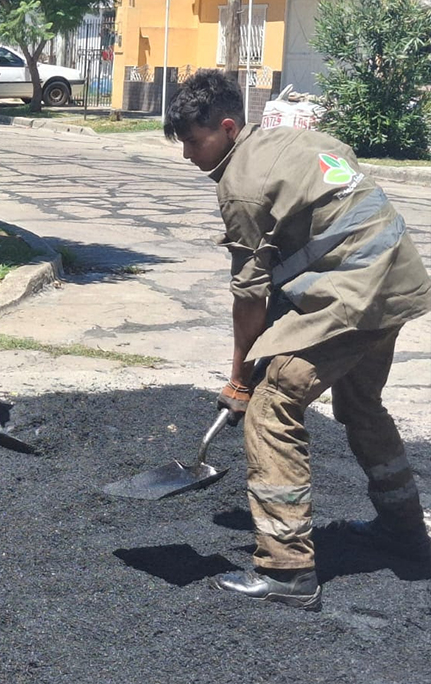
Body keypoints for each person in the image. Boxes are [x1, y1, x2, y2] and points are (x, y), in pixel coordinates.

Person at [164, 70, 431, 610]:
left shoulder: (240, 185)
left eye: (194, 141)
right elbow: (311, 241)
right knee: (361, 405)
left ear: (227, 126)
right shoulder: (303, 140)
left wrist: (241, 377)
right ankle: (405, 532)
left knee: (271, 405)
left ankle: (286, 571)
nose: (189, 155)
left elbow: (249, 296)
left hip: (353, 292)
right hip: (397, 279)